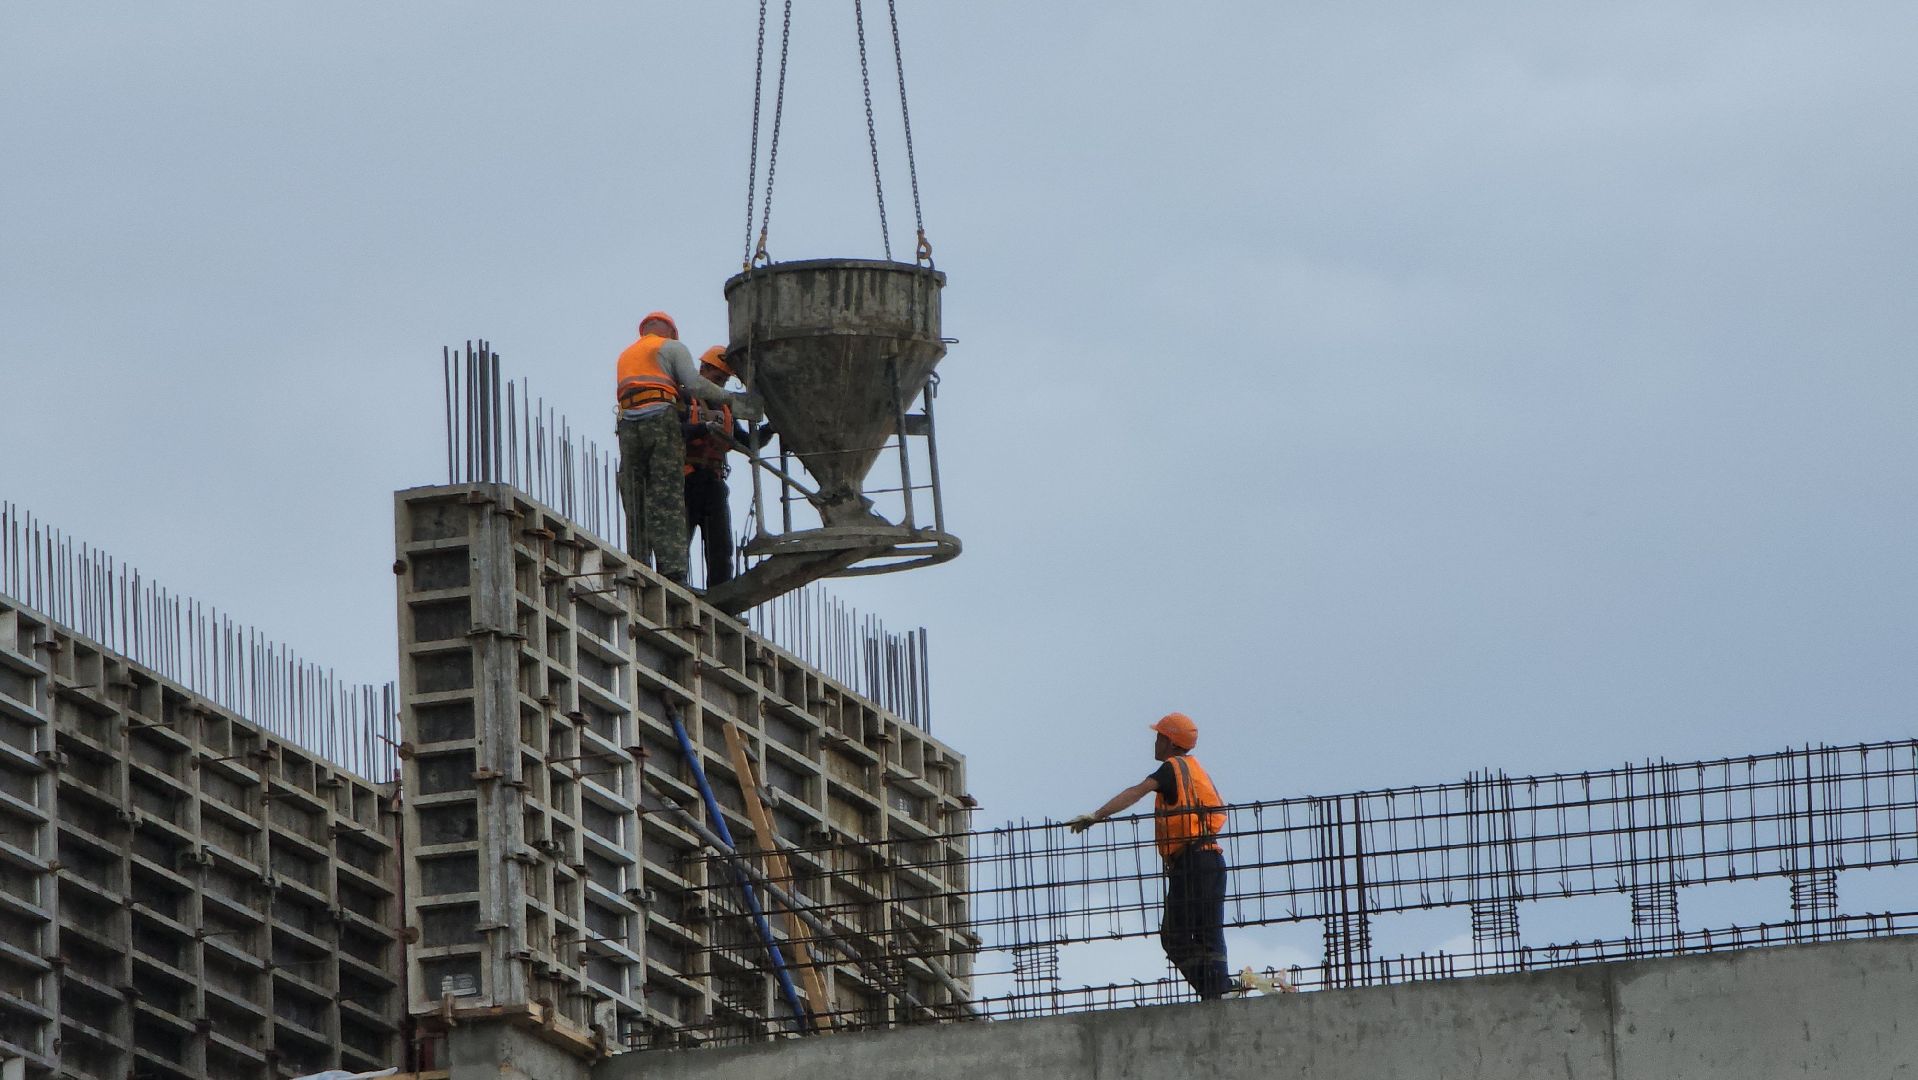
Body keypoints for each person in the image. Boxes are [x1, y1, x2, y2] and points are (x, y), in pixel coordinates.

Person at [1069, 712, 1232, 999]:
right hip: (1212, 860)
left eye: (1158, 737)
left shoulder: (1172, 769)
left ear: (1169, 741)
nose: (1155, 742)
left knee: (1174, 936)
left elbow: (1136, 792)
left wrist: (1097, 815)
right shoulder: (1194, 769)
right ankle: (1222, 992)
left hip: (1192, 862)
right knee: (1208, 935)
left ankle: (1216, 991)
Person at [615, 312, 757, 585]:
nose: (720, 382)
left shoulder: (627, 354)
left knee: (636, 496)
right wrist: (731, 399)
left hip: (629, 425)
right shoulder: (671, 349)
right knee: (666, 498)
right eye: (719, 377)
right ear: (670, 332)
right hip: (662, 426)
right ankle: (672, 573)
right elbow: (692, 383)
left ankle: (639, 565)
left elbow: (742, 440)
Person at [681, 346, 771, 589]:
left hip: (714, 480)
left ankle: (720, 595)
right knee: (680, 539)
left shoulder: (725, 407)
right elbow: (673, 433)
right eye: (717, 378)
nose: (720, 384)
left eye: (724, 380)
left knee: (721, 546)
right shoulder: (684, 398)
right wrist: (701, 429)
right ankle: (676, 585)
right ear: (703, 370)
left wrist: (771, 429)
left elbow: (746, 443)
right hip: (687, 479)